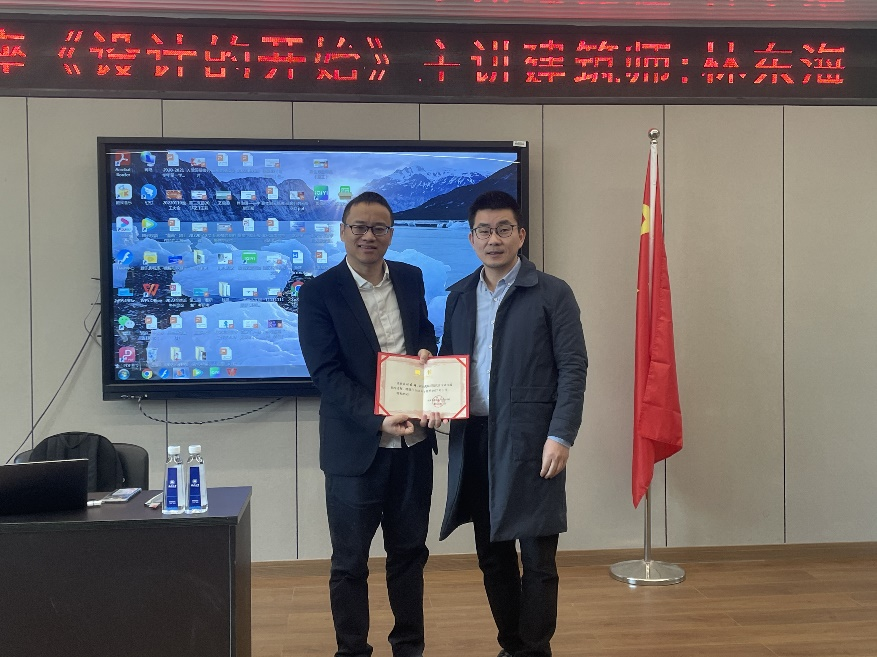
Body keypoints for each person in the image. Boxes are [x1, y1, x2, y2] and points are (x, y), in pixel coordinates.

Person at [436, 190, 587, 657]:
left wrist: (561, 434)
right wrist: (431, 391)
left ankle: (535, 649)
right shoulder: (460, 296)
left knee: (538, 560)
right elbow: (448, 361)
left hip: (532, 441)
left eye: (504, 229)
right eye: (484, 231)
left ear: (520, 235)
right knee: (492, 555)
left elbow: (573, 367)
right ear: (471, 238)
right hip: (475, 440)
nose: (494, 239)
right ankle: (513, 645)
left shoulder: (552, 293)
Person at [298, 191, 438, 657]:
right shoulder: (318, 292)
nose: (368, 236)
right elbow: (326, 373)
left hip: (414, 446)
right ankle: (352, 650)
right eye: (359, 226)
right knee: (350, 563)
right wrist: (378, 419)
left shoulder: (411, 278)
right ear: (342, 231)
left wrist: (427, 351)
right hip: (356, 449)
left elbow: (424, 330)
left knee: (409, 556)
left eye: (379, 228)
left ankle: (409, 648)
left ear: (391, 234)